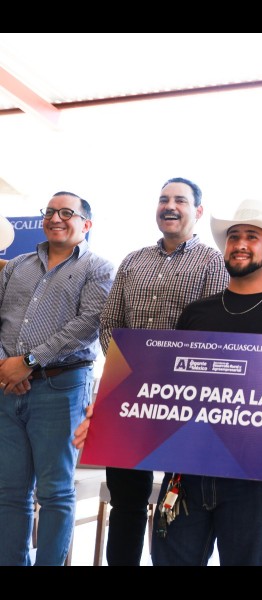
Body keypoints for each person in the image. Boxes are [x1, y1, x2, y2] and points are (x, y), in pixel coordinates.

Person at [145, 198, 262, 565]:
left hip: (256, 479)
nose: (240, 244)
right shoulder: (195, 314)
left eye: (252, 237)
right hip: (187, 471)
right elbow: (166, 388)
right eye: (234, 237)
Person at [97, 177, 229, 566]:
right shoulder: (132, 260)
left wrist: (171, 380)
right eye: (163, 199)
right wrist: (131, 373)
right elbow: (109, 324)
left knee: (182, 500)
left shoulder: (212, 261)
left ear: (198, 211)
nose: (169, 206)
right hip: (129, 396)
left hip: (182, 399)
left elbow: (211, 331)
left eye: (180, 200)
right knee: (126, 500)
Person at [0, 191, 114, 566]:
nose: (55, 218)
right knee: (9, 492)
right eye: (50, 212)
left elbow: (87, 325)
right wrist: (6, 366)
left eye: (67, 212)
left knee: (55, 493)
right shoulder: (17, 266)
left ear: (86, 224)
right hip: (6, 388)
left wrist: (29, 362)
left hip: (60, 388)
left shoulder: (98, 268)